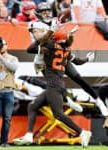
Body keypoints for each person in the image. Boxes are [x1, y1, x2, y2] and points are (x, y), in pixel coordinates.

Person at [13, 17, 92, 147]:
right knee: (32, 106)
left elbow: (31, 48)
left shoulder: (49, 45)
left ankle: (82, 132)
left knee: (58, 114)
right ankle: (28, 135)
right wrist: (72, 38)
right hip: (57, 83)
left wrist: (50, 30)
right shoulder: (65, 48)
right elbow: (75, 58)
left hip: (54, 84)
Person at [28, 2, 108, 118]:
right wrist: (52, 31)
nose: (46, 13)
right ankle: (68, 100)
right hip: (44, 60)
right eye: (43, 11)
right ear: (38, 13)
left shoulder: (56, 22)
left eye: (48, 11)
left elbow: (65, 41)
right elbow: (40, 40)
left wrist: (70, 36)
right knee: (54, 85)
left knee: (78, 78)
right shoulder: (34, 24)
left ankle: (99, 102)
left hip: (60, 55)